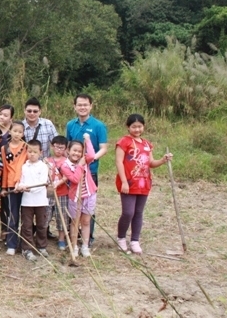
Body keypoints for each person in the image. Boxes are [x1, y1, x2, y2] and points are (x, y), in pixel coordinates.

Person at [115, 114, 172, 254]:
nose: (137, 129)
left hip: (144, 182)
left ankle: (135, 240)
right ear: (128, 127)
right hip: (128, 183)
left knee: (138, 212)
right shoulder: (124, 142)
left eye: (139, 126)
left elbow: (151, 163)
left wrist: (163, 160)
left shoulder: (146, 144)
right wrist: (124, 181)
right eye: (134, 127)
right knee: (128, 212)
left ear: (143, 126)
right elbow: (119, 162)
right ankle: (121, 238)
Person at [65, 93, 108, 245]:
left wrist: (90, 159)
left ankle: (87, 238)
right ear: (74, 107)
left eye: (85, 105)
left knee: (88, 206)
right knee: (73, 203)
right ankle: (73, 237)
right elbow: (68, 146)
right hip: (73, 172)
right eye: (79, 105)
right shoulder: (71, 125)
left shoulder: (98, 126)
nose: (82, 107)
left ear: (91, 106)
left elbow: (103, 148)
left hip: (90, 171)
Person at [59, 134, 97, 257]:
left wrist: (88, 140)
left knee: (86, 221)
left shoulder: (85, 160)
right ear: (68, 151)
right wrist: (80, 165)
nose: (77, 153)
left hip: (89, 195)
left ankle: (85, 246)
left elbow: (92, 155)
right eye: (74, 150)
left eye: (80, 151)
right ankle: (74, 245)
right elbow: (75, 179)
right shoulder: (65, 166)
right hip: (75, 198)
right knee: (75, 222)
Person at [16, 140, 51, 262]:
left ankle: (42, 246)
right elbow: (21, 181)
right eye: (30, 151)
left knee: (41, 224)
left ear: (41, 152)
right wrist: (20, 186)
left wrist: (28, 188)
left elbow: (42, 184)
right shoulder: (24, 166)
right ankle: (27, 248)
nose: (32, 154)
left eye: (35, 152)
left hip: (41, 201)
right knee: (27, 225)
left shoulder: (43, 166)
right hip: (27, 201)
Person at [2, 121, 28, 256]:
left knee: (26, 215)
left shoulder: (26, 147)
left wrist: (20, 181)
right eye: (15, 131)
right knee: (12, 215)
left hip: (25, 184)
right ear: (10, 131)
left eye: (20, 132)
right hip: (11, 186)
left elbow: (24, 166)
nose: (17, 134)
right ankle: (11, 243)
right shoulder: (4, 148)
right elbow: (5, 169)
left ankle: (25, 244)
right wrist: (4, 187)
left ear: (23, 134)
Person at [46, 135, 70, 250]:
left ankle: (61, 239)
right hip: (48, 193)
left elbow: (66, 176)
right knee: (46, 215)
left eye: (61, 148)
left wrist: (58, 183)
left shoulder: (67, 162)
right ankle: (42, 237)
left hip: (62, 193)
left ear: (66, 149)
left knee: (62, 216)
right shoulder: (46, 161)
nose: (58, 150)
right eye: (56, 147)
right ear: (52, 146)